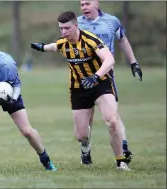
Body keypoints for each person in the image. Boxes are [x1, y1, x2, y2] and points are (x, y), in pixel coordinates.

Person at [31, 11, 131, 170]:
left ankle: (121, 161)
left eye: (67, 28)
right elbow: (54, 46)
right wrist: (42, 47)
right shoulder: (63, 42)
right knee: (81, 135)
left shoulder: (90, 40)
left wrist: (96, 76)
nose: (64, 32)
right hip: (79, 88)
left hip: (101, 83)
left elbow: (109, 59)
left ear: (76, 26)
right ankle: (85, 149)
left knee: (112, 121)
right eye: (61, 29)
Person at [0, 42, 57, 171]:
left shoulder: (7, 66)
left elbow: (16, 85)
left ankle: (45, 159)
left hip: (9, 92)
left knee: (27, 131)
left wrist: (13, 99)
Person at [77, 0, 143, 164]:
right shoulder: (76, 23)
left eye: (87, 3)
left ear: (97, 4)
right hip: (83, 77)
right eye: (81, 4)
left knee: (112, 116)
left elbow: (122, 40)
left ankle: (124, 149)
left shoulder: (111, 21)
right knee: (86, 121)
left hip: (105, 76)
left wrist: (133, 62)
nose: (84, 7)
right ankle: (85, 150)